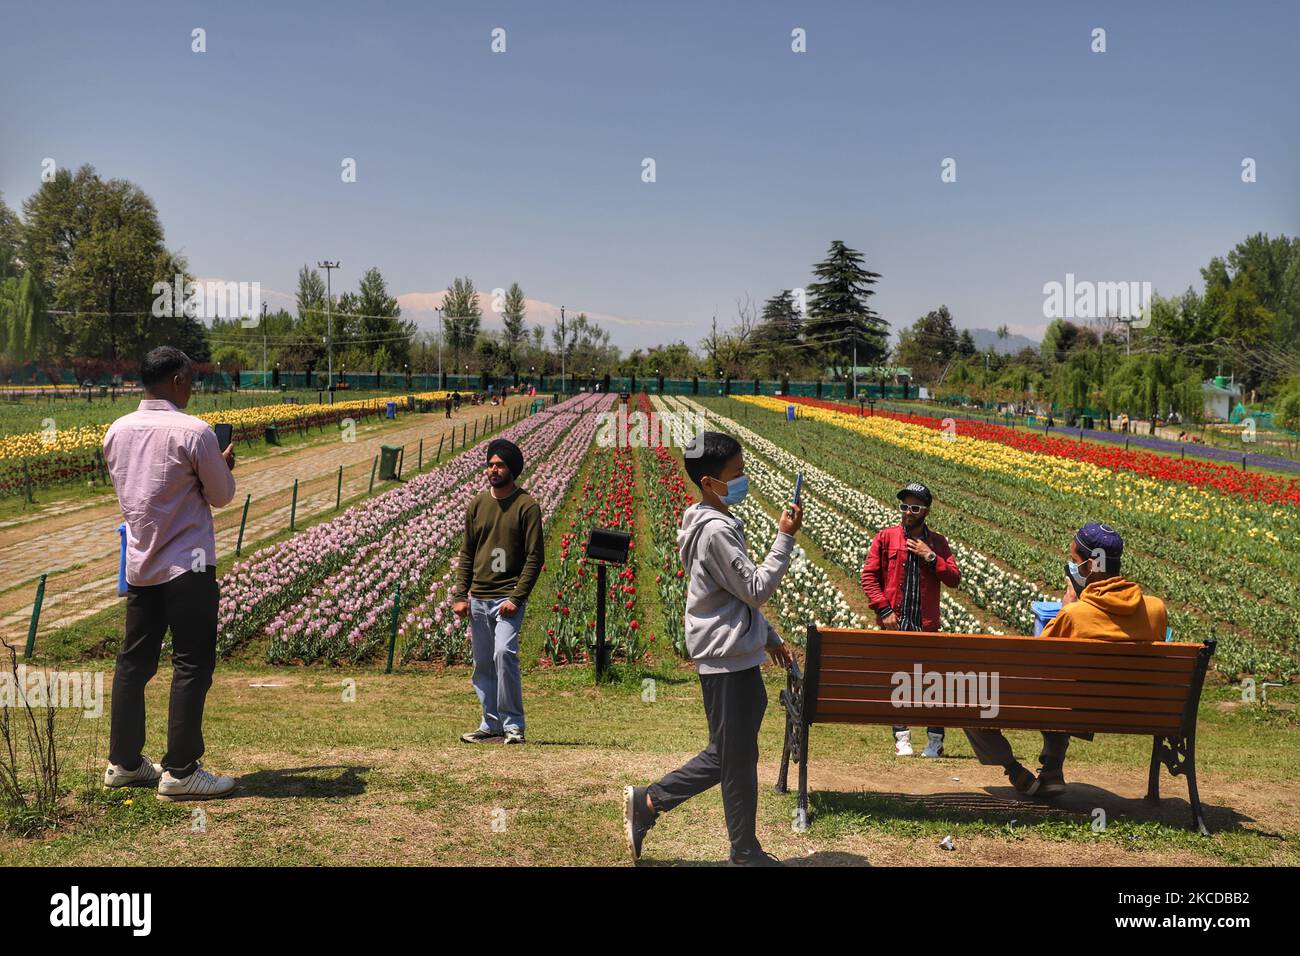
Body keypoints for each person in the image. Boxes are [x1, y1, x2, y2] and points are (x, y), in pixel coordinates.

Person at [623, 431, 801, 866]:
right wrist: (785, 537)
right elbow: (755, 589)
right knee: (730, 755)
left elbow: (734, 596)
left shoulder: (709, 521)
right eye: (735, 474)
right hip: (728, 661)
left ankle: (743, 849)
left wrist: (770, 638)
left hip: (736, 654)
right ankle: (650, 803)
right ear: (709, 481)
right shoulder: (716, 532)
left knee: (736, 755)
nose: (742, 481)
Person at [101, 347, 238, 801]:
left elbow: (139, 489)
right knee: (191, 662)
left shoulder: (116, 431)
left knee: (133, 663)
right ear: (178, 380)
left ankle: (124, 762)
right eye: (191, 378)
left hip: (141, 562)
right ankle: (180, 770)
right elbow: (219, 497)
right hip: (188, 563)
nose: (193, 385)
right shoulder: (195, 432)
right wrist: (220, 465)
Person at [964, 523, 1167, 797]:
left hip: (1070, 706)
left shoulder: (1075, 615)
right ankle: (1052, 769)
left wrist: (1068, 606)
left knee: (970, 695)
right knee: (1065, 690)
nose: (1072, 567)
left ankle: (1013, 770)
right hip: (1134, 710)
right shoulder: (1156, 609)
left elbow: (1037, 667)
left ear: (1089, 566)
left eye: (1074, 561)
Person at [452, 438, 544, 745]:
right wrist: (459, 595)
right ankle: (490, 723)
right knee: (483, 663)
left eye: (500, 464)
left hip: (507, 597)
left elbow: (535, 556)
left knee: (504, 654)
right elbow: (467, 552)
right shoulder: (478, 504)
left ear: (512, 469)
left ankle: (514, 725)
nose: (494, 469)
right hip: (478, 597)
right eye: (491, 463)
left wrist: (517, 598)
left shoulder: (526, 506)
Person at [861, 482, 961, 758]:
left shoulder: (938, 543)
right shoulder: (886, 538)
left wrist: (931, 557)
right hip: (896, 622)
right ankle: (902, 738)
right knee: (899, 682)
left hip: (925, 624)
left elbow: (954, 578)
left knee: (933, 683)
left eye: (914, 507)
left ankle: (935, 741)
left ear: (925, 511)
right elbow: (869, 577)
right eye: (904, 506)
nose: (907, 512)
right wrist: (884, 610)